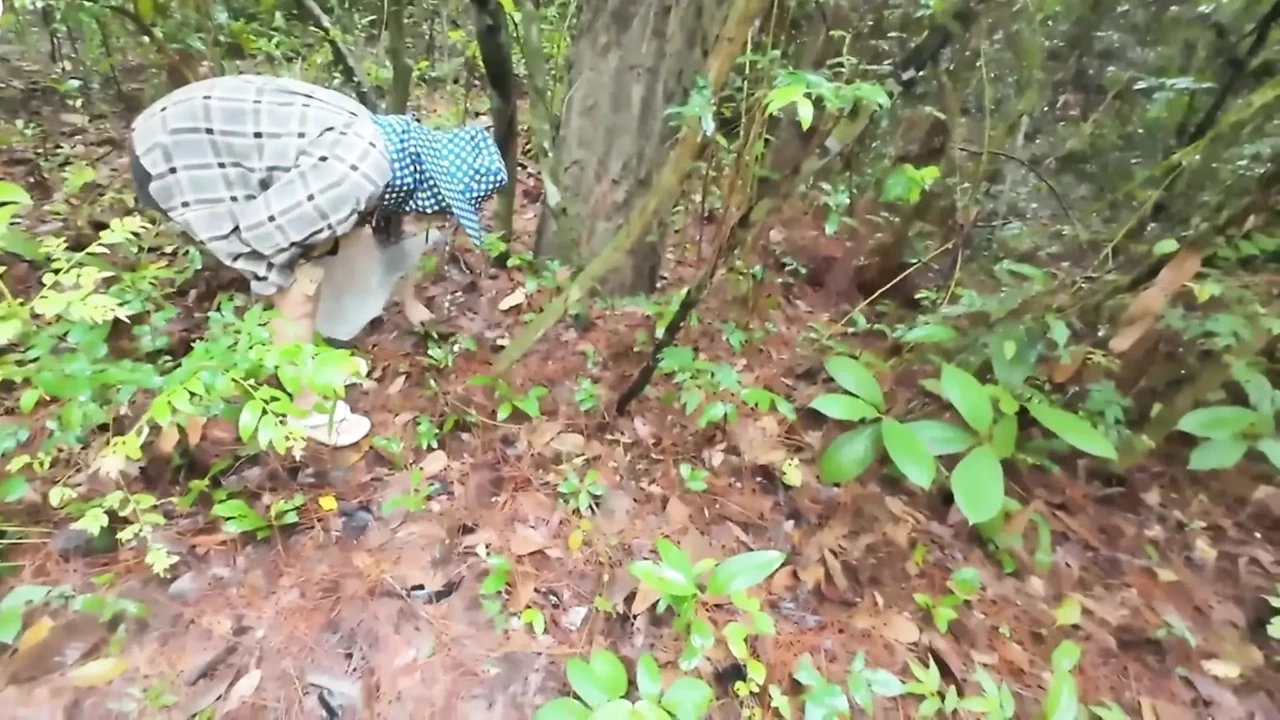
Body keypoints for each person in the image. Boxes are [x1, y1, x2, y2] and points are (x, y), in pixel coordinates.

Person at [127, 74, 507, 448]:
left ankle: (290, 351)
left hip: (191, 126)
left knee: (326, 251)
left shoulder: (389, 148)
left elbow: (396, 229)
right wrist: (301, 274)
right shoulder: (357, 172)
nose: (435, 214)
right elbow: (261, 232)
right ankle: (306, 411)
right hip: (176, 153)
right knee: (296, 290)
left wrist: (408, 303)